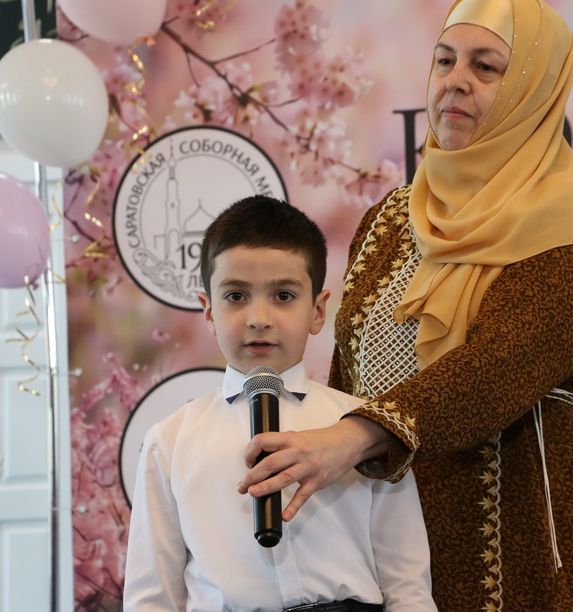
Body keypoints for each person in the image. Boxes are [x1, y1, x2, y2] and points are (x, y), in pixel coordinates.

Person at [237, 0, 573, 611]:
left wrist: (356, 436)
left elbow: (499, 367)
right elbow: (348, 380)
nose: (455, 81)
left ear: (533, 91)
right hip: (387, 541)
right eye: (444, 60)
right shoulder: (390, 219)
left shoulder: (566, 234)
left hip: (520, 550)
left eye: (486, 67)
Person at [123, 195, 437, 611]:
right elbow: (152, 598)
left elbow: (407, 587)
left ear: (318, 310)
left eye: (283, 295)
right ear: (209, 311)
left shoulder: (362, 427)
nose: (259, 318)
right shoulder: (170, 441)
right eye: (236, 296)